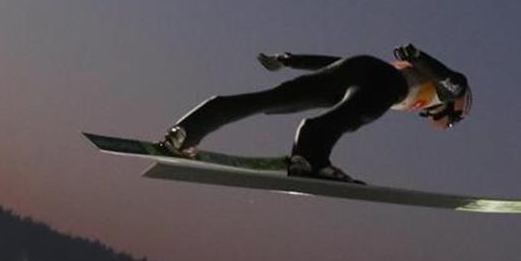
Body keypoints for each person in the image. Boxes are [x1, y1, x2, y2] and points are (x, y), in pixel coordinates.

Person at [158, 44, 472, 183]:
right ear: (455, 110)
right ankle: (310, 157)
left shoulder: (424, 86)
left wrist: (291, 60)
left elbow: (337, 62)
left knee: (276, 99)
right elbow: (455, 81)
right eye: (453, 121)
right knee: (355, 114)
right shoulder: (445, 91)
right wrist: (422, 58)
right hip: (383, 81)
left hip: (358, 66)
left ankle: (186, 131)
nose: (441, 123)